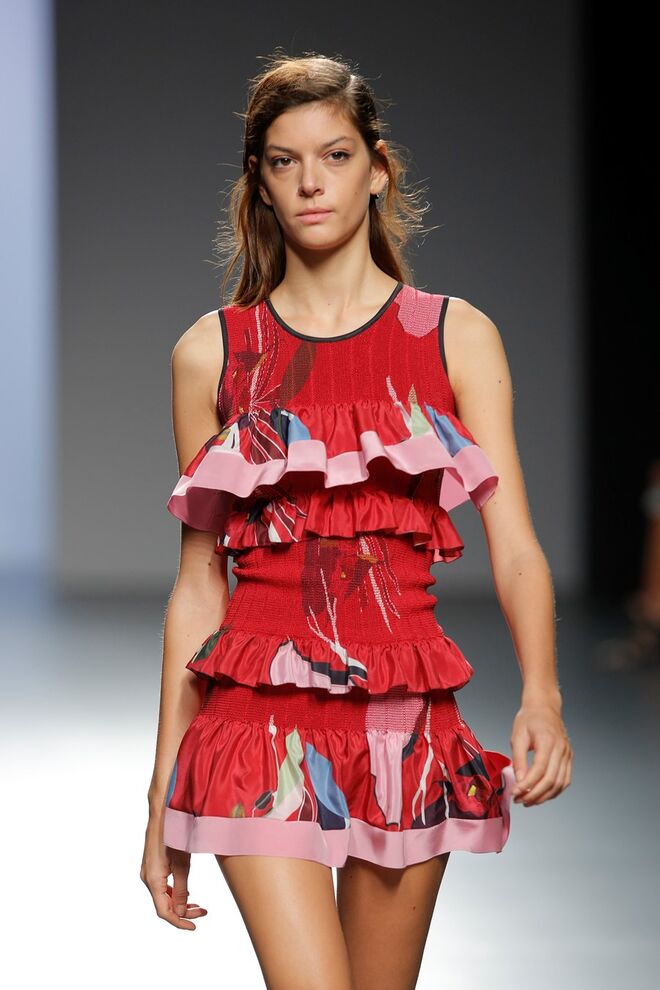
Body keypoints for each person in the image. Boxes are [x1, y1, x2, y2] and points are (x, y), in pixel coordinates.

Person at [141, 52, 573, 989]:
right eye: (284, 161)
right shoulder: (214, 353)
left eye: (334, 156)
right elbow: (199, 585)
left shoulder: (454, 337)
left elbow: (515, 545)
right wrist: (160, 793)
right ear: (259, 181)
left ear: (378, 169)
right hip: (255, 726)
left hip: (404, 724)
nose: (311, 182)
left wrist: (542, 692)